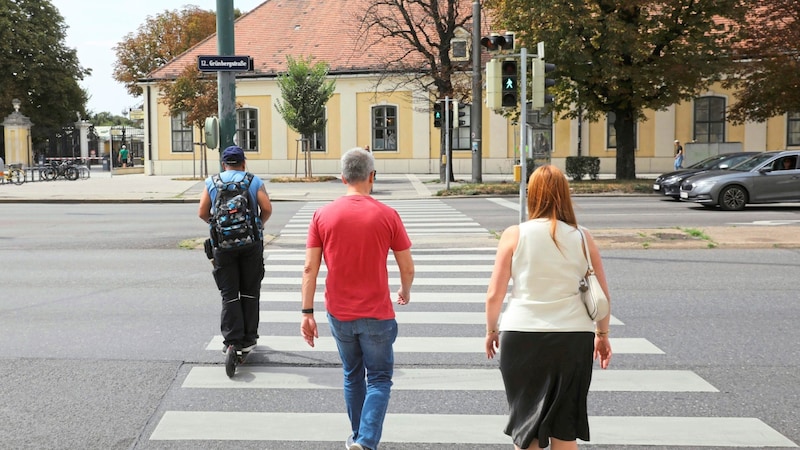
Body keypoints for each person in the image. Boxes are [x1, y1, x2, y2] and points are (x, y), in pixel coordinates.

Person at [484, 164, 612, 450]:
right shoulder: (582, 237)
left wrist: (492, 329)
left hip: (521, 334)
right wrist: (602, 336)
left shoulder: (514, 234)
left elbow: (494, 293)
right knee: (565, 431)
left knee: (526, 429)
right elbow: (601, 293)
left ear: (533, 195)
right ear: (565, 195)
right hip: (573, 337)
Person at [300, 148, 415, 450]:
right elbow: (407, 266)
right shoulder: (387, 215)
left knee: (353, 375)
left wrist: (307, 311)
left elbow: (310, 267)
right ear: (372, 176)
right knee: (378, 378)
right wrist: (405, 290)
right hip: (377, 313)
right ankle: (364, 442)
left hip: (339, 313)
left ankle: (358, 438)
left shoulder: (322, 215)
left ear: (343, 178)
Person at [198, 146, 273, 354]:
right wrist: (259, 225)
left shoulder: (212, 182)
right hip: (251, 243)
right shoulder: (253, 180)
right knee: (250, 291)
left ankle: (232, 339)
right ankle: (249, 338)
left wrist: (217, 225)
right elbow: (266, 208)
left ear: (224, 164)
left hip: (222, 245)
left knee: (229, 293)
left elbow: (202, 212)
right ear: (243, 162)